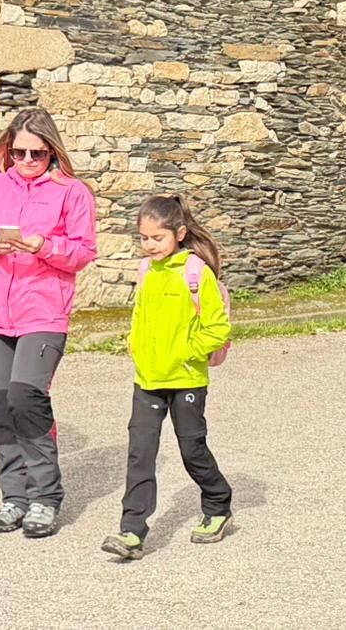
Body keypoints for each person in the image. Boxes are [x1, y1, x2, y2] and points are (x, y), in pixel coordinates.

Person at [0, 108, 96, 539]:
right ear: (7, 150)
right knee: (2, 407)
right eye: (19, 152)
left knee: (26, 398)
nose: (28, 160)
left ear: (52, 151)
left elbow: (83, 251)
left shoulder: (72, 193)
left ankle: (45, 497)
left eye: (37, 153)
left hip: (44, 313)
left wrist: (45, 246)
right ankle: (13, 496)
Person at [100, 194, 234, 561]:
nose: (149, 245)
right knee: (140, 454)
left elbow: (218, 328)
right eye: (143, 238)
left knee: (192, 448)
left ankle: (218, 503)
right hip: (147, 380)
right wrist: (136, 346)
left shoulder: (195, 272)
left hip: (187, 379)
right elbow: (140, 315)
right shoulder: (146, 271)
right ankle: (131, 531)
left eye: (156, 238)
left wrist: (184, 351)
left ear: (179, 233)